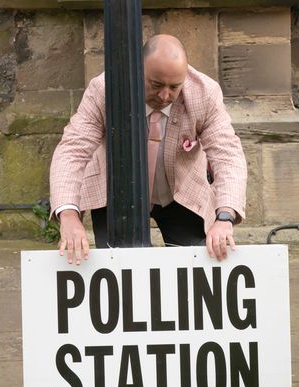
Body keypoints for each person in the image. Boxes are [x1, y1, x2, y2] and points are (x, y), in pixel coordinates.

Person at [49, 34, 247, 265]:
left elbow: (228, 154)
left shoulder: (205, 93)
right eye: (156, 85)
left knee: (197, 267)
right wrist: (69, 215)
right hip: (117, 194)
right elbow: (73, 150)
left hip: (182, 192)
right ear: (136, 70)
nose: (164, 96)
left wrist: (224, 217)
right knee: (119, 269)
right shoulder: (104, 90)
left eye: (174, 87)